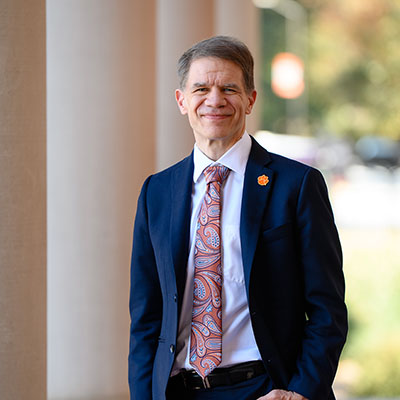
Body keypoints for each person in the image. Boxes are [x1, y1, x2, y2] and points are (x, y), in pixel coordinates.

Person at [128, 36, 347, 400]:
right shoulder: (157, 192)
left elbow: (327, 307)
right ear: (182, 100)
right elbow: (146, 316)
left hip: (265, 388)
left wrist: (300, 391)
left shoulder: (297, 185)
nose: (215, 100)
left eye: (229, 88)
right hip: (179, 390)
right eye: (201, 88)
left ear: (250, 99)